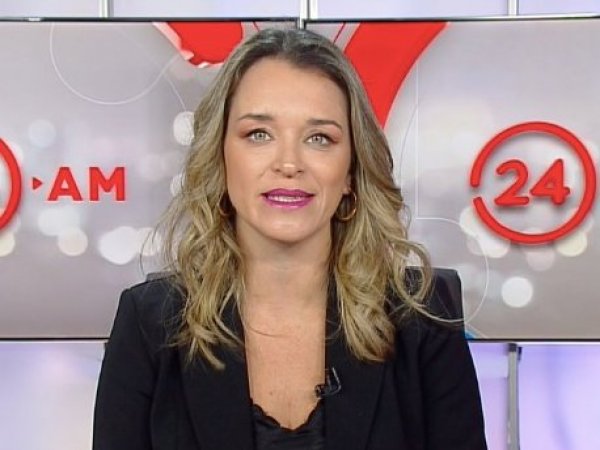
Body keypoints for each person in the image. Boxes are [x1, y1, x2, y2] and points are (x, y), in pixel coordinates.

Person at [93, 28, 487, 450]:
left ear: (351, 171)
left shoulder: (422, 317)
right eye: (259, 134)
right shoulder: (151, 323)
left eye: (319, 139)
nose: (288, 163)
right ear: (220, 157)